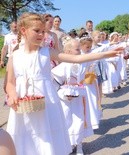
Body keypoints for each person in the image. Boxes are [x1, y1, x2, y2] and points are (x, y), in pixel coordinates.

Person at [6, 12, 123, 155]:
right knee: (26, 136)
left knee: (46, 136)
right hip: (22, 105)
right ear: (23, 31)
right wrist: (12, 95)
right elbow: (10, 82)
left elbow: (77, 59)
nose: (41, 34)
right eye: (37, 31)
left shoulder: (46, 52)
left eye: (43, 31)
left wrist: (105, 54)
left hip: (46, 103)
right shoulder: (15, 56)